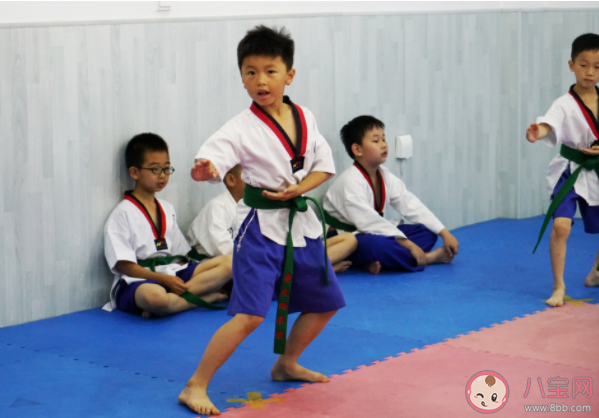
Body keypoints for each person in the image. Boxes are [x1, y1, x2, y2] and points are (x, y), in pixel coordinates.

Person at [178, 25, 346, 415]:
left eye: (270, 70)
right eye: (250, 72)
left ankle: (286, 364)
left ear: (289, 75)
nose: (260, 80)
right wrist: (206, 170)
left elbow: (324, 167)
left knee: (325, 303)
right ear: (241, 78)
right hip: (260, 229)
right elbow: (213, 158)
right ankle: (195, 385)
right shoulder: (239, 127)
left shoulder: (304, 116)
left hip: (301, 226)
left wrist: (299, 189)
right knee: (251, 314)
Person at [102, 133, 233, 317]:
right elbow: (125, 266)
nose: (162, 175)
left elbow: (181, 255)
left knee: (231, 262)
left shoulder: (167, 208)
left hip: (172, 273)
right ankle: (199, 299)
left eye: (166, 168)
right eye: (155, 169)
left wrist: (175, 275)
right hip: (140, 279)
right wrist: (162, 279)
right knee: (154, 298)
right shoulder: (122, 213)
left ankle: (169, 304)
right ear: (134, 172)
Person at [323, 116, 459, 275]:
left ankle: (375, 261)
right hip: (345, 239)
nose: (383, 145)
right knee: (377, 245)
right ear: (357, 149)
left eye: (384, 139)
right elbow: (370, 223)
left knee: (428, 232)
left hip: (371, 232)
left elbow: (409, 203)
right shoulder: (349, 183)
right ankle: (427, 258)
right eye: (376, 141)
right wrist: (408, 244)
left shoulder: (383, 175)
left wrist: (444, 232)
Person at [526, 33, 599, 307]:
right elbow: (550, 123)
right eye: (583, 64)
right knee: (560, 227)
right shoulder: (564, 103)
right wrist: (538, 131)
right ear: (571, 65)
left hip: (597, 170)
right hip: (570, 171)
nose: (590, 72)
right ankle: (559, 286)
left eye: (597, 66)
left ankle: (595, 272)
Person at [188, 164, 357, 272]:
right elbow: (224, 251)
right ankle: (316, 270)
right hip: (236, 266)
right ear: (231, 179)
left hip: (273, 259)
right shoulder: (217, 207)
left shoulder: (261, 202)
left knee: (349, 239)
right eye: (248, 175)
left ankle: (309, 269)